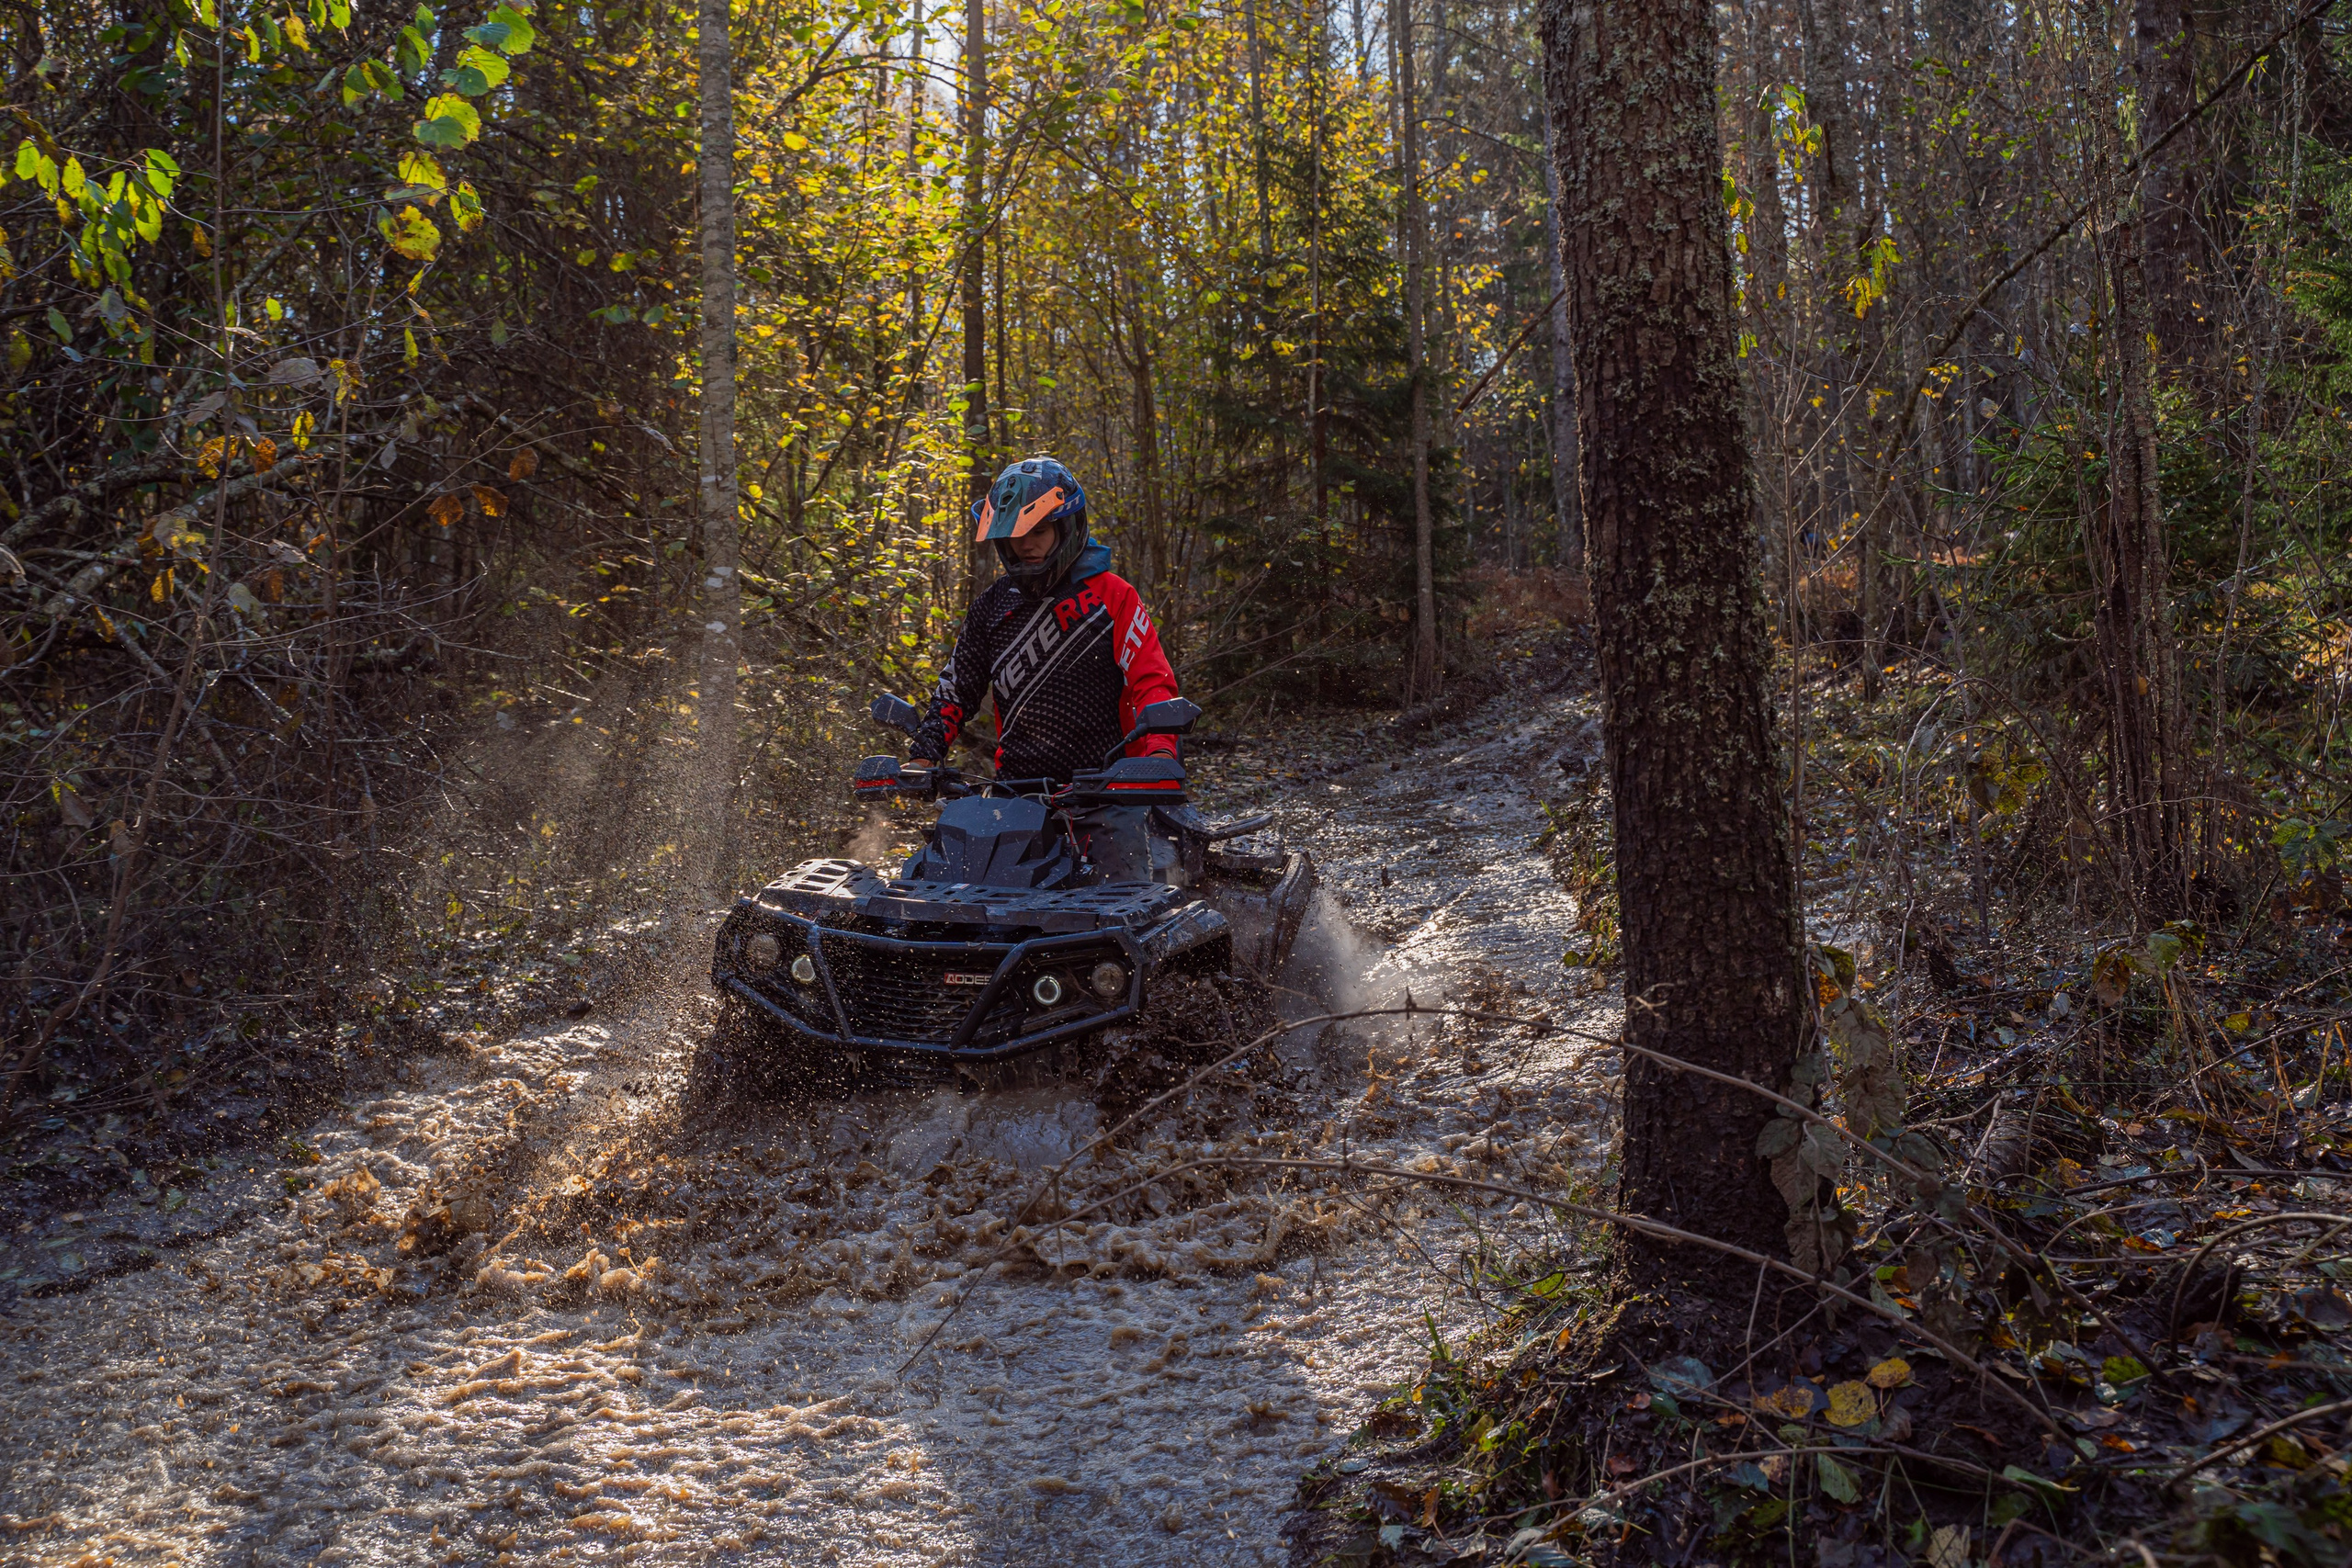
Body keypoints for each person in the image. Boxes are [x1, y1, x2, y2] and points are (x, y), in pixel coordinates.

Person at [908, 457, 1181, 783]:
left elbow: (1151, 681)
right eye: (1016, 533)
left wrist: (1161, 752)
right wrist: (923, 756)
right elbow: (956, 689)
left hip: (1111, 787)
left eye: (1039, 531)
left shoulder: (1113, 595)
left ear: (1066, 528)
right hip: (1015, 792)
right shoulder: (991, 605)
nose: (1026, 544)